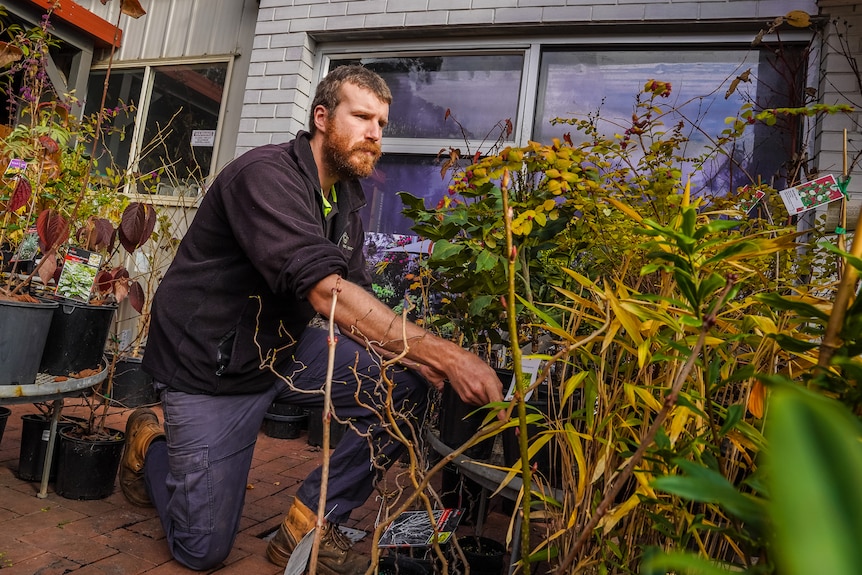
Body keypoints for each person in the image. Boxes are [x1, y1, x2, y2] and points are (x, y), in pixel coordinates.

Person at [121, 64, 504, 573]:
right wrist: (447, 354)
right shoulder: (266, 175)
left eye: (383, 123)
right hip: (210, 366)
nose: (375, 133)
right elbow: (327, 292)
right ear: (322, 117)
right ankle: (153, 440)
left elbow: (356, 288)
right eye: (363, 117)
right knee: (202, 551)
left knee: (402, 385)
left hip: (279, 350)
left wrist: (410, 354)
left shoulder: (345, 195)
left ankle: (308, 527)